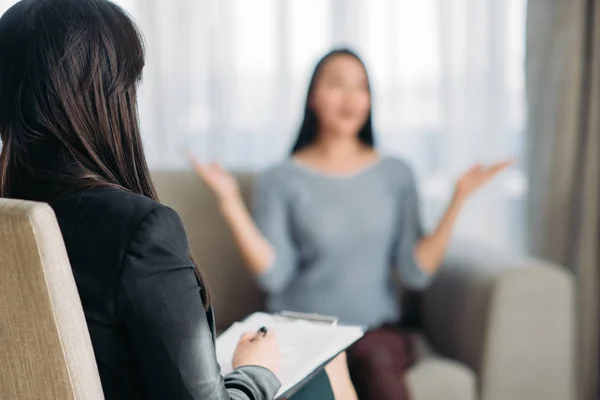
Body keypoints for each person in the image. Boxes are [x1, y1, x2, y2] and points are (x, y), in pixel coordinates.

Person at [0, 1, 346, 399]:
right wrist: (256, 370)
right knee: (323, 377)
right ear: (108, 95)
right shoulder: (139, 229)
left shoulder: (14, 213)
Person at [192, 48, 512, 400]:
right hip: (302, 329)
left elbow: (415, 272)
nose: (350, 98)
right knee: (316, 368)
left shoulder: (396, 174)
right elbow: (274, 274)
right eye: (336, 84)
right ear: (312, 97)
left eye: (360, 87)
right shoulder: (280, 179)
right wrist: (230, 202)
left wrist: (458, 199)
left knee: (372, 357)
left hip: (375, 333)